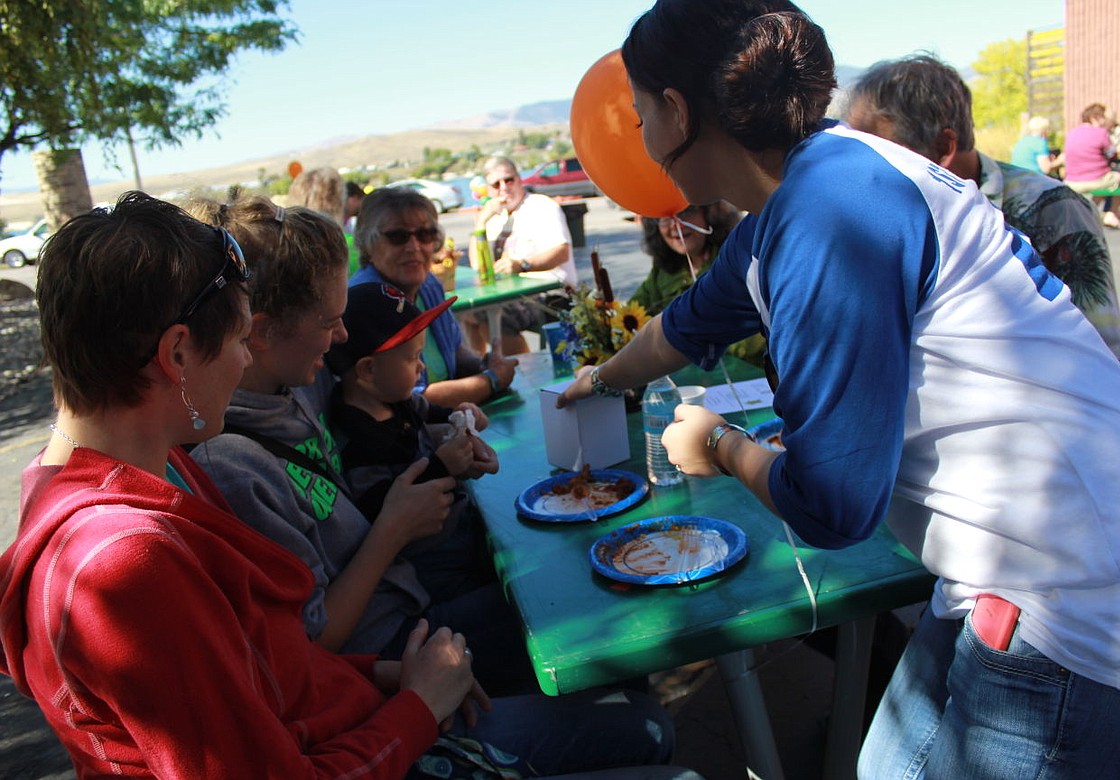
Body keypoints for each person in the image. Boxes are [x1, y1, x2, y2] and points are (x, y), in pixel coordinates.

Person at [560, 2, 1120, 776]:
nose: (640, 139)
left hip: (1076, 606)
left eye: (642, 113)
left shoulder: (827, 216)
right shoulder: (818, 184)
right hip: (1021, 568)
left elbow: (832, 506)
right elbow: (688, 323)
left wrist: (715, 443)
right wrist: (601, 377)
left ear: (676, 112)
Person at [0, 192, 691, 779]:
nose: (245, 360)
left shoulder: (141, 474)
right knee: (651, 737)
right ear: (177, 353)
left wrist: (380, 677)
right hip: (379, 743)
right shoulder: (126, 562)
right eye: (240, 339)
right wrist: (418, 708)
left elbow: (274, 666)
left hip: (372, 700)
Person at [188, 196, 534, 696]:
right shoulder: (232, 466)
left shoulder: (302, 384)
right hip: (382, 656)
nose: (343, 337)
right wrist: (392, 528)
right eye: (329, 324)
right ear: (259, 331)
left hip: (410, 602)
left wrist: (442, 432)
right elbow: (317, 642)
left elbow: (376, 421)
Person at [846, 55, 1120, 365]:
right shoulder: (884, 215)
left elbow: (1104, 355)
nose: (862, 171)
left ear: (943, 148)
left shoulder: (1054, 210)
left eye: (879, 154)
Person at [326, 280, 500, 603]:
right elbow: (382, 511)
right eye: (414, 358)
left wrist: (464, 416)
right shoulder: (357, 439)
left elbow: (436, 413)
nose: (422, 367)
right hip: (429, 567)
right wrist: (444, 466)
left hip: (460, 531)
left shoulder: (396, 398)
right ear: (368, 370)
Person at [351, 187, 519, 407]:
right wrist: (491, 381)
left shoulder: (428, 283)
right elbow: (410, 398)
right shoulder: (368, 300)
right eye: (398, 237)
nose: (414, 247)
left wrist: (484, 364)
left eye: (425, 234)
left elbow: (455, 350)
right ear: (368, 244)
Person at [466, 156, 578, 355]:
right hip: (511, 293)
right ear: (489, 190)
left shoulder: (541, 206)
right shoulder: (494, 216)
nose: (504, 187)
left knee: (492, 315)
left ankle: (521, 371)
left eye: (509, 180)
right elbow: (477, 265)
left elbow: (561, 252)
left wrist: (523, 265)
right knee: (467, 312)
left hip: (551, 293)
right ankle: (479, 368)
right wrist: (481, 222)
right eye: (496, 184)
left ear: (519, 179)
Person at [631, 202, 766, 367]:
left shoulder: (732, 261)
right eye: (664, 218)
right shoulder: (665, 269)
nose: (676, 225)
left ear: (710, 214)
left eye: (686, 212)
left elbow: (751, 344)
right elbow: (634, 311)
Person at [1063, 102, 1120, 228]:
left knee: (1104, 184)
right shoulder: (1100, 133)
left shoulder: (1072, 133)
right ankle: (1111, 213)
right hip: (1095, 179)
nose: (1105, 122)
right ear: (1095, 118)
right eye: (1103, 118)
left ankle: (1088, 212)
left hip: (1071, 180)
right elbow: (1111, 154)